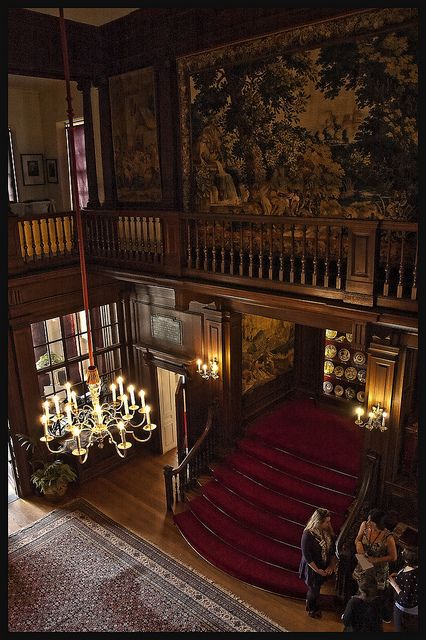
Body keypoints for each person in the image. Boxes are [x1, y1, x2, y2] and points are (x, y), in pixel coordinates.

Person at [353, 508, 397, 623]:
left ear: (378, 523)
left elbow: (393, 557)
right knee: (361, 588)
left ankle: (372, 615)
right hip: (363, 564)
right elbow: (358, 539)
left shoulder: (388, 537)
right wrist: (359, 546)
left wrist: (376, 560)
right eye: (367, 520)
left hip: (378, 570)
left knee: (374, 593)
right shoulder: (364, 525)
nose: (367, 523)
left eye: (370, 522)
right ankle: (357, 611)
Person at [299, 507, 337, 618]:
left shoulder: (327, 530)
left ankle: (313, 603)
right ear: (318, 521)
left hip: (324, 565)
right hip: (313, 567)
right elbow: (307, 556)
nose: (328, 523)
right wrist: (318, 570)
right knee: (314, 589)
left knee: (317, 587)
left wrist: (331, 565)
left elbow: (333, 549)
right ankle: (312, 608)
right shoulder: (307, 535)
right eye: (326, 522)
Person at [388, 546, 418, 632]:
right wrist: (398, 575)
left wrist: (394, 584)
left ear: (408, 560)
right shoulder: (414, 568)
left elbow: (406, 598)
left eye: (403, 553)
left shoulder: (410, 576)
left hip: (405, 610)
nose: (401, 552)